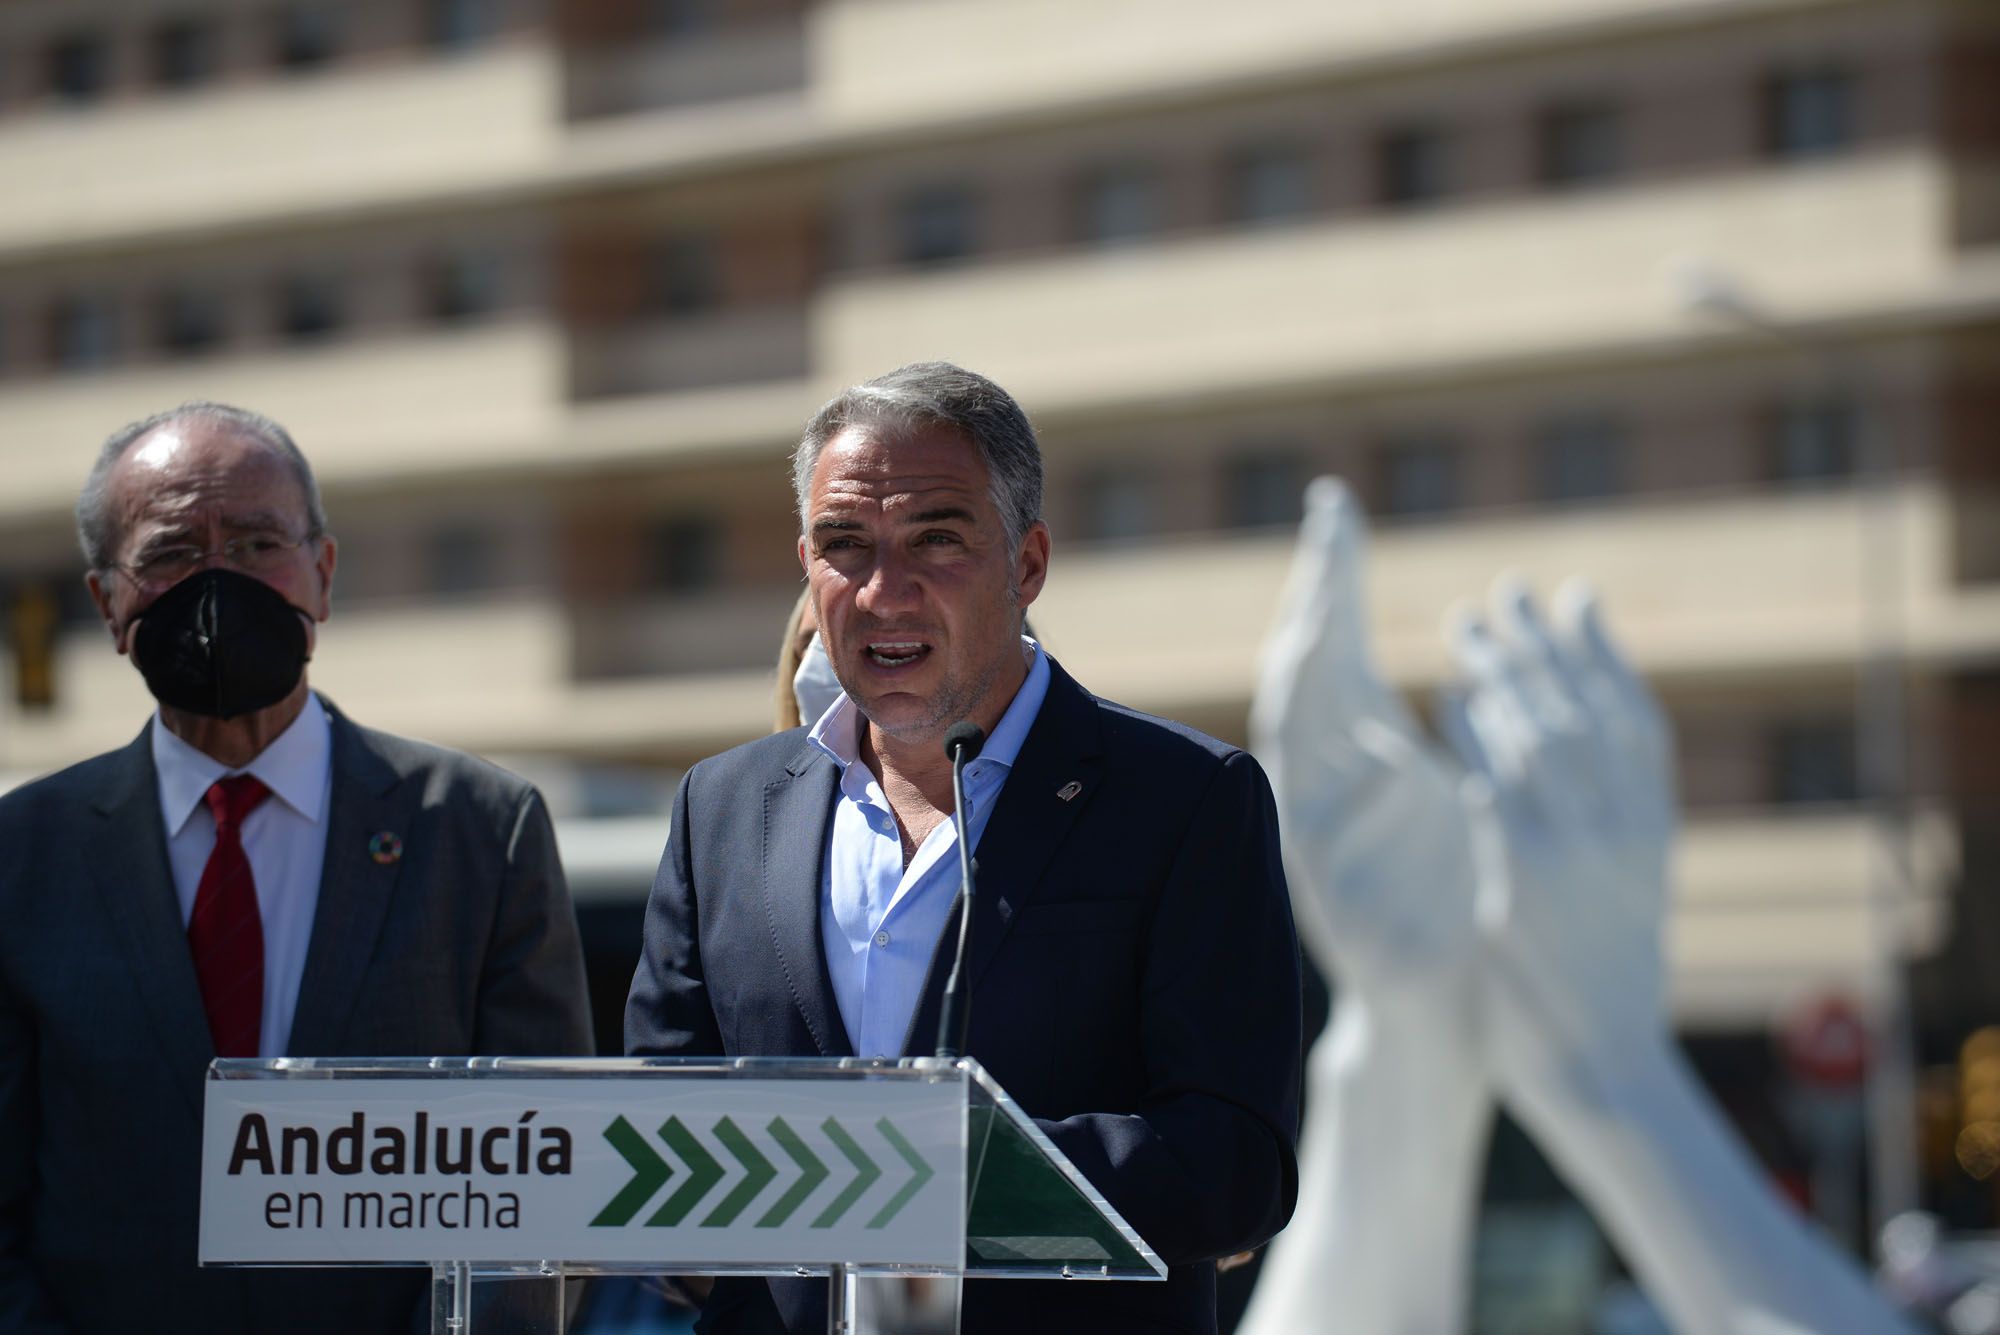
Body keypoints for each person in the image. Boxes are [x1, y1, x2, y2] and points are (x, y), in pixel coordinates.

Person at [626, 361, 1303, 1334]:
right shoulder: (721, 807)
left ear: (1025, 565)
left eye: (934, 541)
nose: (881, 591)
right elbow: (657, 1133)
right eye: (843, 546)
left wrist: (930, 1180)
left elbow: (1234, 1164)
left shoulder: (1185, 800)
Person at [0, 402, 594, 1335]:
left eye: (254, 542)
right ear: (108, 602)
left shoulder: (478, 831)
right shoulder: (21, 856)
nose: (216, 582)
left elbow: (540, 1192)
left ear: (321, 574)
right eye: (169, 553)